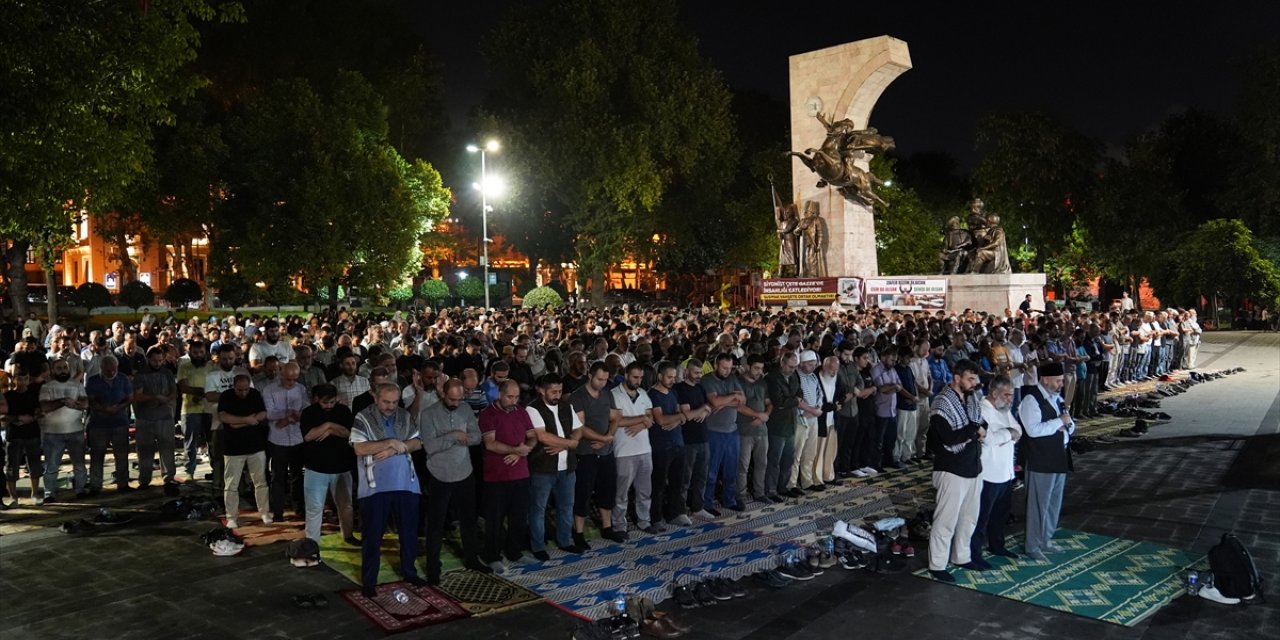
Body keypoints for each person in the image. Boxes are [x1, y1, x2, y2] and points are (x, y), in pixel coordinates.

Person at [352, 383, 428, 595]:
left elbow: (417, 443)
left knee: (409, 533)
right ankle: (369, 582)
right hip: (374, 487)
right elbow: (360, 447)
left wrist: (394, 449)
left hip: (406, 483)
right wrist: (392, 442)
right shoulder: (363, 417)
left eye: (394, 402)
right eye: (386, 402)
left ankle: (409, 573)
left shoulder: (404, 415)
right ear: (375, 398)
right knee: (372, 536)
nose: (390, 406)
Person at [418, 379, 489, 581]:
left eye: (459, 399)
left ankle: (472, 558)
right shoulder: (429, 413)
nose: (456, 403)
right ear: (443, 393)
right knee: (435, 524)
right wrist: (455, 436)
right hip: (438, 474)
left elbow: (476, 437)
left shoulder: (465, 409)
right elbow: (430, 447)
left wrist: (453, 438)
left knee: (468, 520)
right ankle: (433, 568)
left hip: (464, 472)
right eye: (452, 399)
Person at [925, 359, 987, 583]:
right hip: (951, 469)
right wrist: (973, 431)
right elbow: (949, 439)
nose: (974, 384)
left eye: (975, 379)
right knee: (946, 520)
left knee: (969, 517)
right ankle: (937, 564)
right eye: (970, 379)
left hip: (973, 466)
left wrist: (973, 431)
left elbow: (983, 424)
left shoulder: (971, 399)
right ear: (957, 378)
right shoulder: (942, 403)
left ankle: (962, 555)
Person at [1019, 362, 1074, 562]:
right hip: (1040, 460)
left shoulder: (1057, 399)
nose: (1061, 384)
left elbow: (1070, 422)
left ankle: (1045, 539)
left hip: (1059, 457)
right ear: (1045, 379)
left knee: (1053, 504)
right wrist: (1058, 422)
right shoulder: (1031, 400)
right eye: (1058, 380)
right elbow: (1033, 430)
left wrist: (1065, 424)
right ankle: (1032, 545)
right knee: (1038, 505)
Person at [478, 379, 536, 570]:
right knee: (494, 519)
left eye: (517, 397)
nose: (514, 401)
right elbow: (490, 443)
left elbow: (533, 436)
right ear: (500, 395)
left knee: (518, 516)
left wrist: (524, 449)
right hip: (497, 476)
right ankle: (491, 555)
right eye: (510, 397)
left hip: (521, 473)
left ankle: (514, 551)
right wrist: (516, 450)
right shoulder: (488, 414)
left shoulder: (521, 412)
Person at [527, 373, 586, 558]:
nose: (557, 395)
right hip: (542, 467)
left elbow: (578, 429)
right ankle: (538, 546)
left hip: (567, 467)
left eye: (560, 391)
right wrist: (570, 444)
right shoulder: (532, 408)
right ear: (541, 390)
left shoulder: (565, 406)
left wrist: (565, 442)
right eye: (553, 391)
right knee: (538, 509)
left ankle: (565, 540)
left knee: (566, 506)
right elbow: (542, 436)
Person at [570, 362, 624, 545]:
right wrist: (603, 438)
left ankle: (607, 527)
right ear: (590, 376)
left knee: (607, 489)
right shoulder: (578, 396)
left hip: (606, 451)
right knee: (583, 492)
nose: (602, 383)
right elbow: (580, 426)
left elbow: (616, 417)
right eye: (599, 379)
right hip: (585, 453)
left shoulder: (607, 394)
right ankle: (578, 532)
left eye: (605, 379)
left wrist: (608, 436)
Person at [299, 383, 356, 546]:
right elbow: (309, 436)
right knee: (315, 507)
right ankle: (312, 542)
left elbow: (349, 434)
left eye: (332, 402)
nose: (329, 406)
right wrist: (328, 425)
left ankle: (348, 534)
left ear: (336, 398)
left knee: (346, 505)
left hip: (342, 466)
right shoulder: (309, 413)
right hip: (316, 468)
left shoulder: (343, 411)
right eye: (325, 403)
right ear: (317, 399)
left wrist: (330, 429)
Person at [971, 375, 1021, 562]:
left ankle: (997, 545)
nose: (1011, 399)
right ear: (994, 393)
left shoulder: (1004, 409)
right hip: (988, 474)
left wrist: (1005, 435)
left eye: (1012, 395)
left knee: (1000, 515)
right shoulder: (981, 410)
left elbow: (1019, 430)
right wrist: (1008, 434)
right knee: (981, 517)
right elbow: (989, 439)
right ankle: (974, 553)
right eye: (1007, 395)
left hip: (1006, 472)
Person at [218, 374, 272, 529]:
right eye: (240, 390)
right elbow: (223, 417)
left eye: (246, 389)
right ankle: (231, 516)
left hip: (256, 446)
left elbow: (262, 414)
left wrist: (239, 423)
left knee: (260, 482)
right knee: (231, 484)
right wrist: (247, 420)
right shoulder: (226, 396)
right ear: (234, 386)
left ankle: (264, 512)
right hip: (233, 448)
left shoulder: (254, 394)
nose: (243, 393)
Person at [700, 352, 746, 511]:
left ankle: (729, 499)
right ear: (715, 365)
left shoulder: (733, 378)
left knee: (730, 469)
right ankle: (707, 502)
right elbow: (714, 401)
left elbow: (743, 401)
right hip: (714, 431)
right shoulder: (707, 380)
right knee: (711, 471)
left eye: (729, 368)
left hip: (732, 431)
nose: (727, 371)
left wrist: (722, 402)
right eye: (724, 367)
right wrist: (733, 396)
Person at [648, 360, 691, 525]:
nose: (673, 380)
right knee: (658, 485)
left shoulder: (673, 393)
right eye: (669, 377)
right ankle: (656, 517)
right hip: (661, 446)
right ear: (660, 376)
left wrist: (678, 418)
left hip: (677, 443)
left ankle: (676, 513)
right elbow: (660, 419)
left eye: (674, 377)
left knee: (677, 482)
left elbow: (681, 415)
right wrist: (679, 417)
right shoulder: (653, 395)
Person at [264, 362, 308, 521]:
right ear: (281, 374)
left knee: (298, 475)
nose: (291, 383)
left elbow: (305, 411)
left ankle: (299, 509)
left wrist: (286, 419)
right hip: (278, 440)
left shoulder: (301, 389)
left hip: (297, 438)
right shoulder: (269, 389)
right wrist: (290, 414)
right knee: (278, 477)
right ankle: (277, 511)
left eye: (294, 379)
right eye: (288, 379)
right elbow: (269, 414)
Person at [39, 359, 88, 500]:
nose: (63, 370)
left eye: (65, 368)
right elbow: (45, 407)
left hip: (76, 430)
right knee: (51, 466)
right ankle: (49, 493)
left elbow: (85, 403)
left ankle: (80, 490)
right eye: (59, 368)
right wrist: (62, 402)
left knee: (79, 464)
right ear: (53, 371)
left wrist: (75, 404)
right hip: (53, 432)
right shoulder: (47, 387)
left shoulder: (77, 385)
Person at [84, 355, 133, 493]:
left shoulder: (123, 378)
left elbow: (130, 398)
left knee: (122, 455)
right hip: (99, 423)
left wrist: (119, 407)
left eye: (113, 369)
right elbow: (90, 401)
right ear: (101, 368)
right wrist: (103, 408)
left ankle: (123, 484)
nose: (111, 372)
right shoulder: (93, 381)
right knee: (97, 456)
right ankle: (95, 485)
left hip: (120, 421)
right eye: (108, 370)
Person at [132, 346, 178, 488]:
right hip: (145, 417)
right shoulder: (140, 375)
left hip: (165, 416)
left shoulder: (167, 373)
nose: (157, 363)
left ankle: (169, 477)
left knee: (167, 448)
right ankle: (144, 479)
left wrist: (166, 399)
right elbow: (137, 396)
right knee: (145, 450)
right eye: (154, 361)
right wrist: (154, 397)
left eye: (160, 360)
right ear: (148, 359)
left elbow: (174, 392)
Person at [4, 367, 43, 505]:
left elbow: (40, 411)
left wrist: (32, 418)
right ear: (14, 379)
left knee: (34, 465)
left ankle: (35, 494)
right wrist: (17, 418)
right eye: (19, 378)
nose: (22, 381)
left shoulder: (33, 394)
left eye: (25, 378)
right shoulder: (8, 395)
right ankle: (13, 497)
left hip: (32, 432)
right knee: (11, 466)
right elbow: (3, 416)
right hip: (13, 434)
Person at [735, 354, 771, 504]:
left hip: (762, 430)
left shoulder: (762, 383)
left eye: (761, 369)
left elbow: (769, 403)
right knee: (742, 466)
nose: (759, 371)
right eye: (756, 368)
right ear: (748, 367)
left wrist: (766, 415)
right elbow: (738, 406)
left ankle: (759, 492)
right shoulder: (738, 383)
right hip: (745, 430)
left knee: (761, 463)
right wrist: (759, 415)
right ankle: (740, 495)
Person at [764, 351, 800, 500]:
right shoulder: (772, 378)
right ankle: (770, 490)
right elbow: (778, 402)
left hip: (790, 422)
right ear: (782, 363)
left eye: (795, 367)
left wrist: (791, 400)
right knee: (774, 460)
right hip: (777, 425)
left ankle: (783, 487)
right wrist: (794, 400)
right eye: (790, 366)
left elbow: (800, 392)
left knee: (788, 459)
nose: (792, 370)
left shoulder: (794, 376)